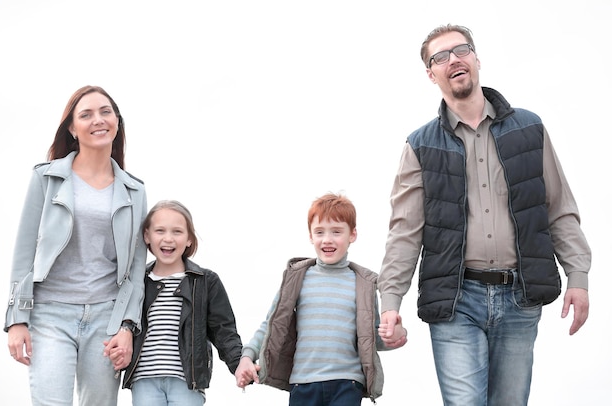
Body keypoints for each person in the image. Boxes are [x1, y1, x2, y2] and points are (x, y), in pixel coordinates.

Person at [378, 24, 591, 406]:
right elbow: (404, 232)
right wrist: (391, 302)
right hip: (456, 298)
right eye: (439, 57)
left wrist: (577, 274)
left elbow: (558, 208)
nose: (453, 60)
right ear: (431, 74)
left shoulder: (529, 129)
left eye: (461, 50)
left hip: (519, 296)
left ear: (476, 58)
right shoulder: (420, 146)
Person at [4, 85, 148, 406]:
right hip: (49, 316)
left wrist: (127, 327)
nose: (98, 120)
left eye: (105, 112)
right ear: (72, 127)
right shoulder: (46, 178)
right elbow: (24, 251)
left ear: (117, 122)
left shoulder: (134, 191)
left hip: (106, 320)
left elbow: (136, 269)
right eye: (86, 114)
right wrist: (16, 320)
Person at [235, 192, 407, 406]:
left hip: (348, 383)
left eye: (336, 232)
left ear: (352, 235)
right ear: (310, 236)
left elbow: (372, 338)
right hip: (303, 384)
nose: (327, 239)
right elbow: (271, 324)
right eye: (319, 232)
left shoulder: (363, 284)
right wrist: (247, 356)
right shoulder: (296, 278)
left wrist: (396, 335)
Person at [117, 199, 243, 406]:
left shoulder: (205, 281)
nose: (168, 239)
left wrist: (239, 363)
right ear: (147, 236)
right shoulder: (136, 281)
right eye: (160, 231)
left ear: (189, 240)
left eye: (177, 231)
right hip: (144, 380)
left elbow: (224, 330)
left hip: (186, 381)